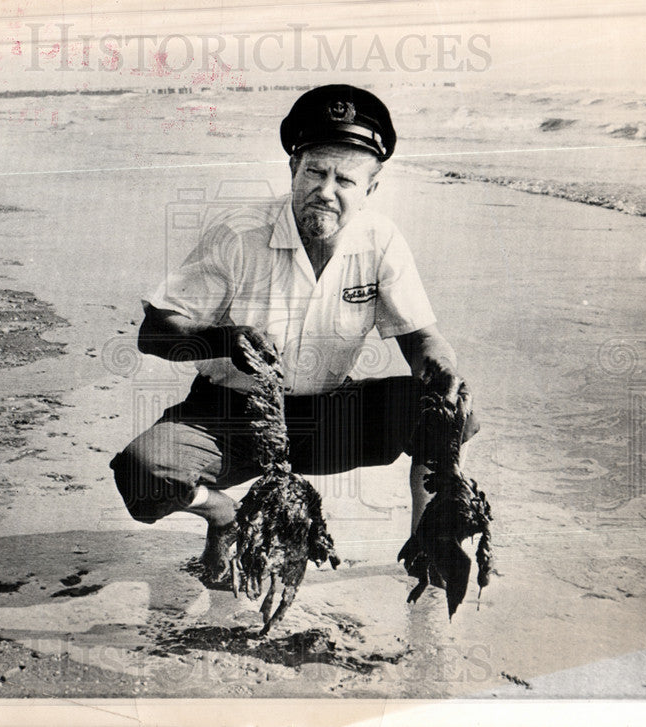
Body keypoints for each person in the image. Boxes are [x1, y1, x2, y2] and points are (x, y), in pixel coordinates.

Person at [111, 84, 478, 582]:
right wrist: (223, 340)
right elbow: (153, 332)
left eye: (345, 179)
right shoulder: (238, 234)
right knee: (142, 470)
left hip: (329, 418)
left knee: (447, 411)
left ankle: (429, 551)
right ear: (292, 170)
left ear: (371, 187)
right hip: (231, 417)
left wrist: (438, 363)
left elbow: (422, 340)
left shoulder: (382, 241)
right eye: (315, 172)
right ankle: (226, 517)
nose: (325, 191)